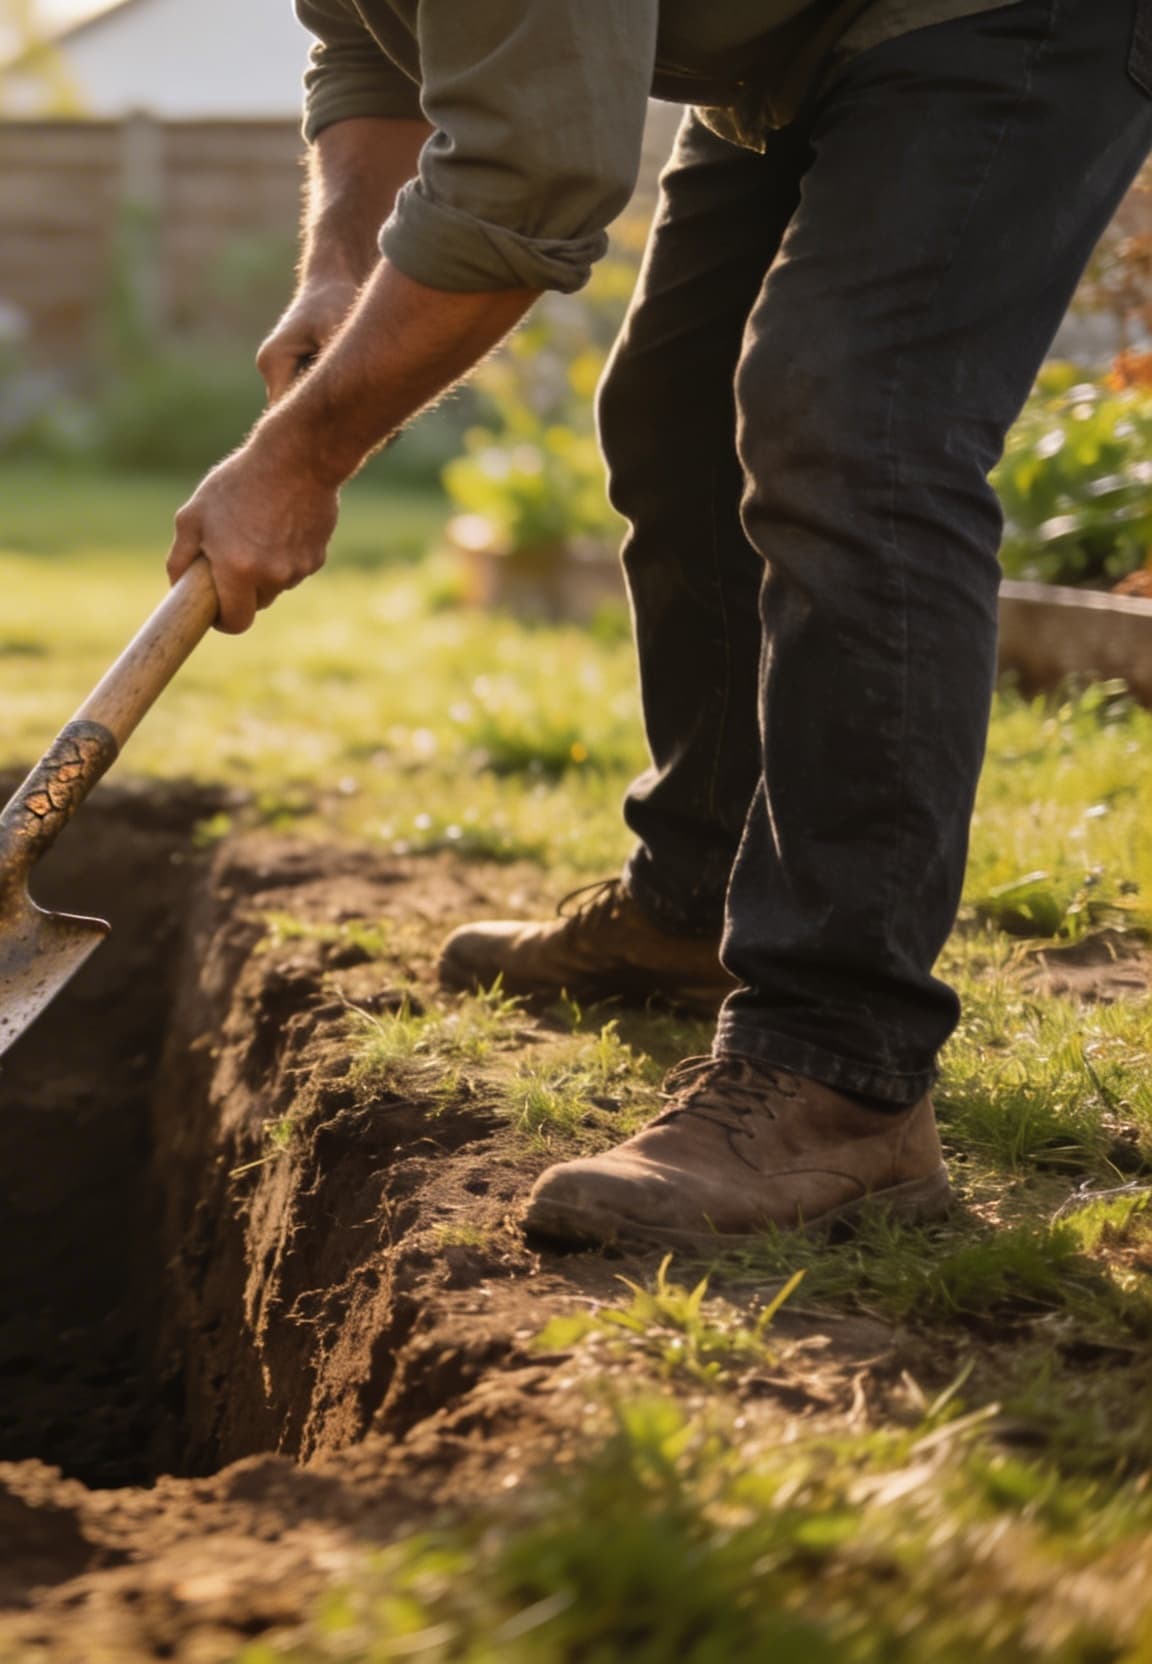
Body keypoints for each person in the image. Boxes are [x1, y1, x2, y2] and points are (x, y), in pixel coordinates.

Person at [167, 0, 1152, 1249]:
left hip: (998, 19)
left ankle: (844, 1071)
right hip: (784, 48)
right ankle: (694, 898)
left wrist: (299, 458)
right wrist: (338, 261)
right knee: (671, 420)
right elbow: (368, 38)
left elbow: (531, 178)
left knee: (854, 429)